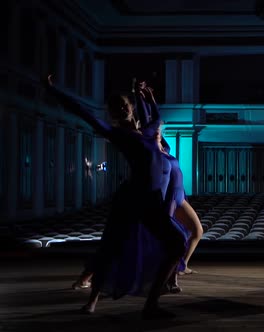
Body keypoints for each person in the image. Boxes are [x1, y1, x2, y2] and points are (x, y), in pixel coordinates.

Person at [45, 75, 186, 319]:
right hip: (133, 199)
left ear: (130, 107)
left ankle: (151, 304)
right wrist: (53, 91)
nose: (120, 108)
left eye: (123, 104)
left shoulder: (148, 132)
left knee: (177, 243)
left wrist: (148, 98)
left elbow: (157, 119)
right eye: (114, 107)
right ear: (112, 114)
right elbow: (83, 113)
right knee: (112, 247)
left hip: (151, 200)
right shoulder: (117, 133)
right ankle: (94, 300)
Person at [135, 81, 203, 290]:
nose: (159, 129)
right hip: (168, 198)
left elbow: (156, 119)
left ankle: (180, 268)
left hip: (180, 195)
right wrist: (139, 97)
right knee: (175, 239)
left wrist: (149, 97)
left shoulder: (163, 145)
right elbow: (149, 119)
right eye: (155, 130)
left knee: (197, 231)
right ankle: (172, 278)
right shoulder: (150, 150)